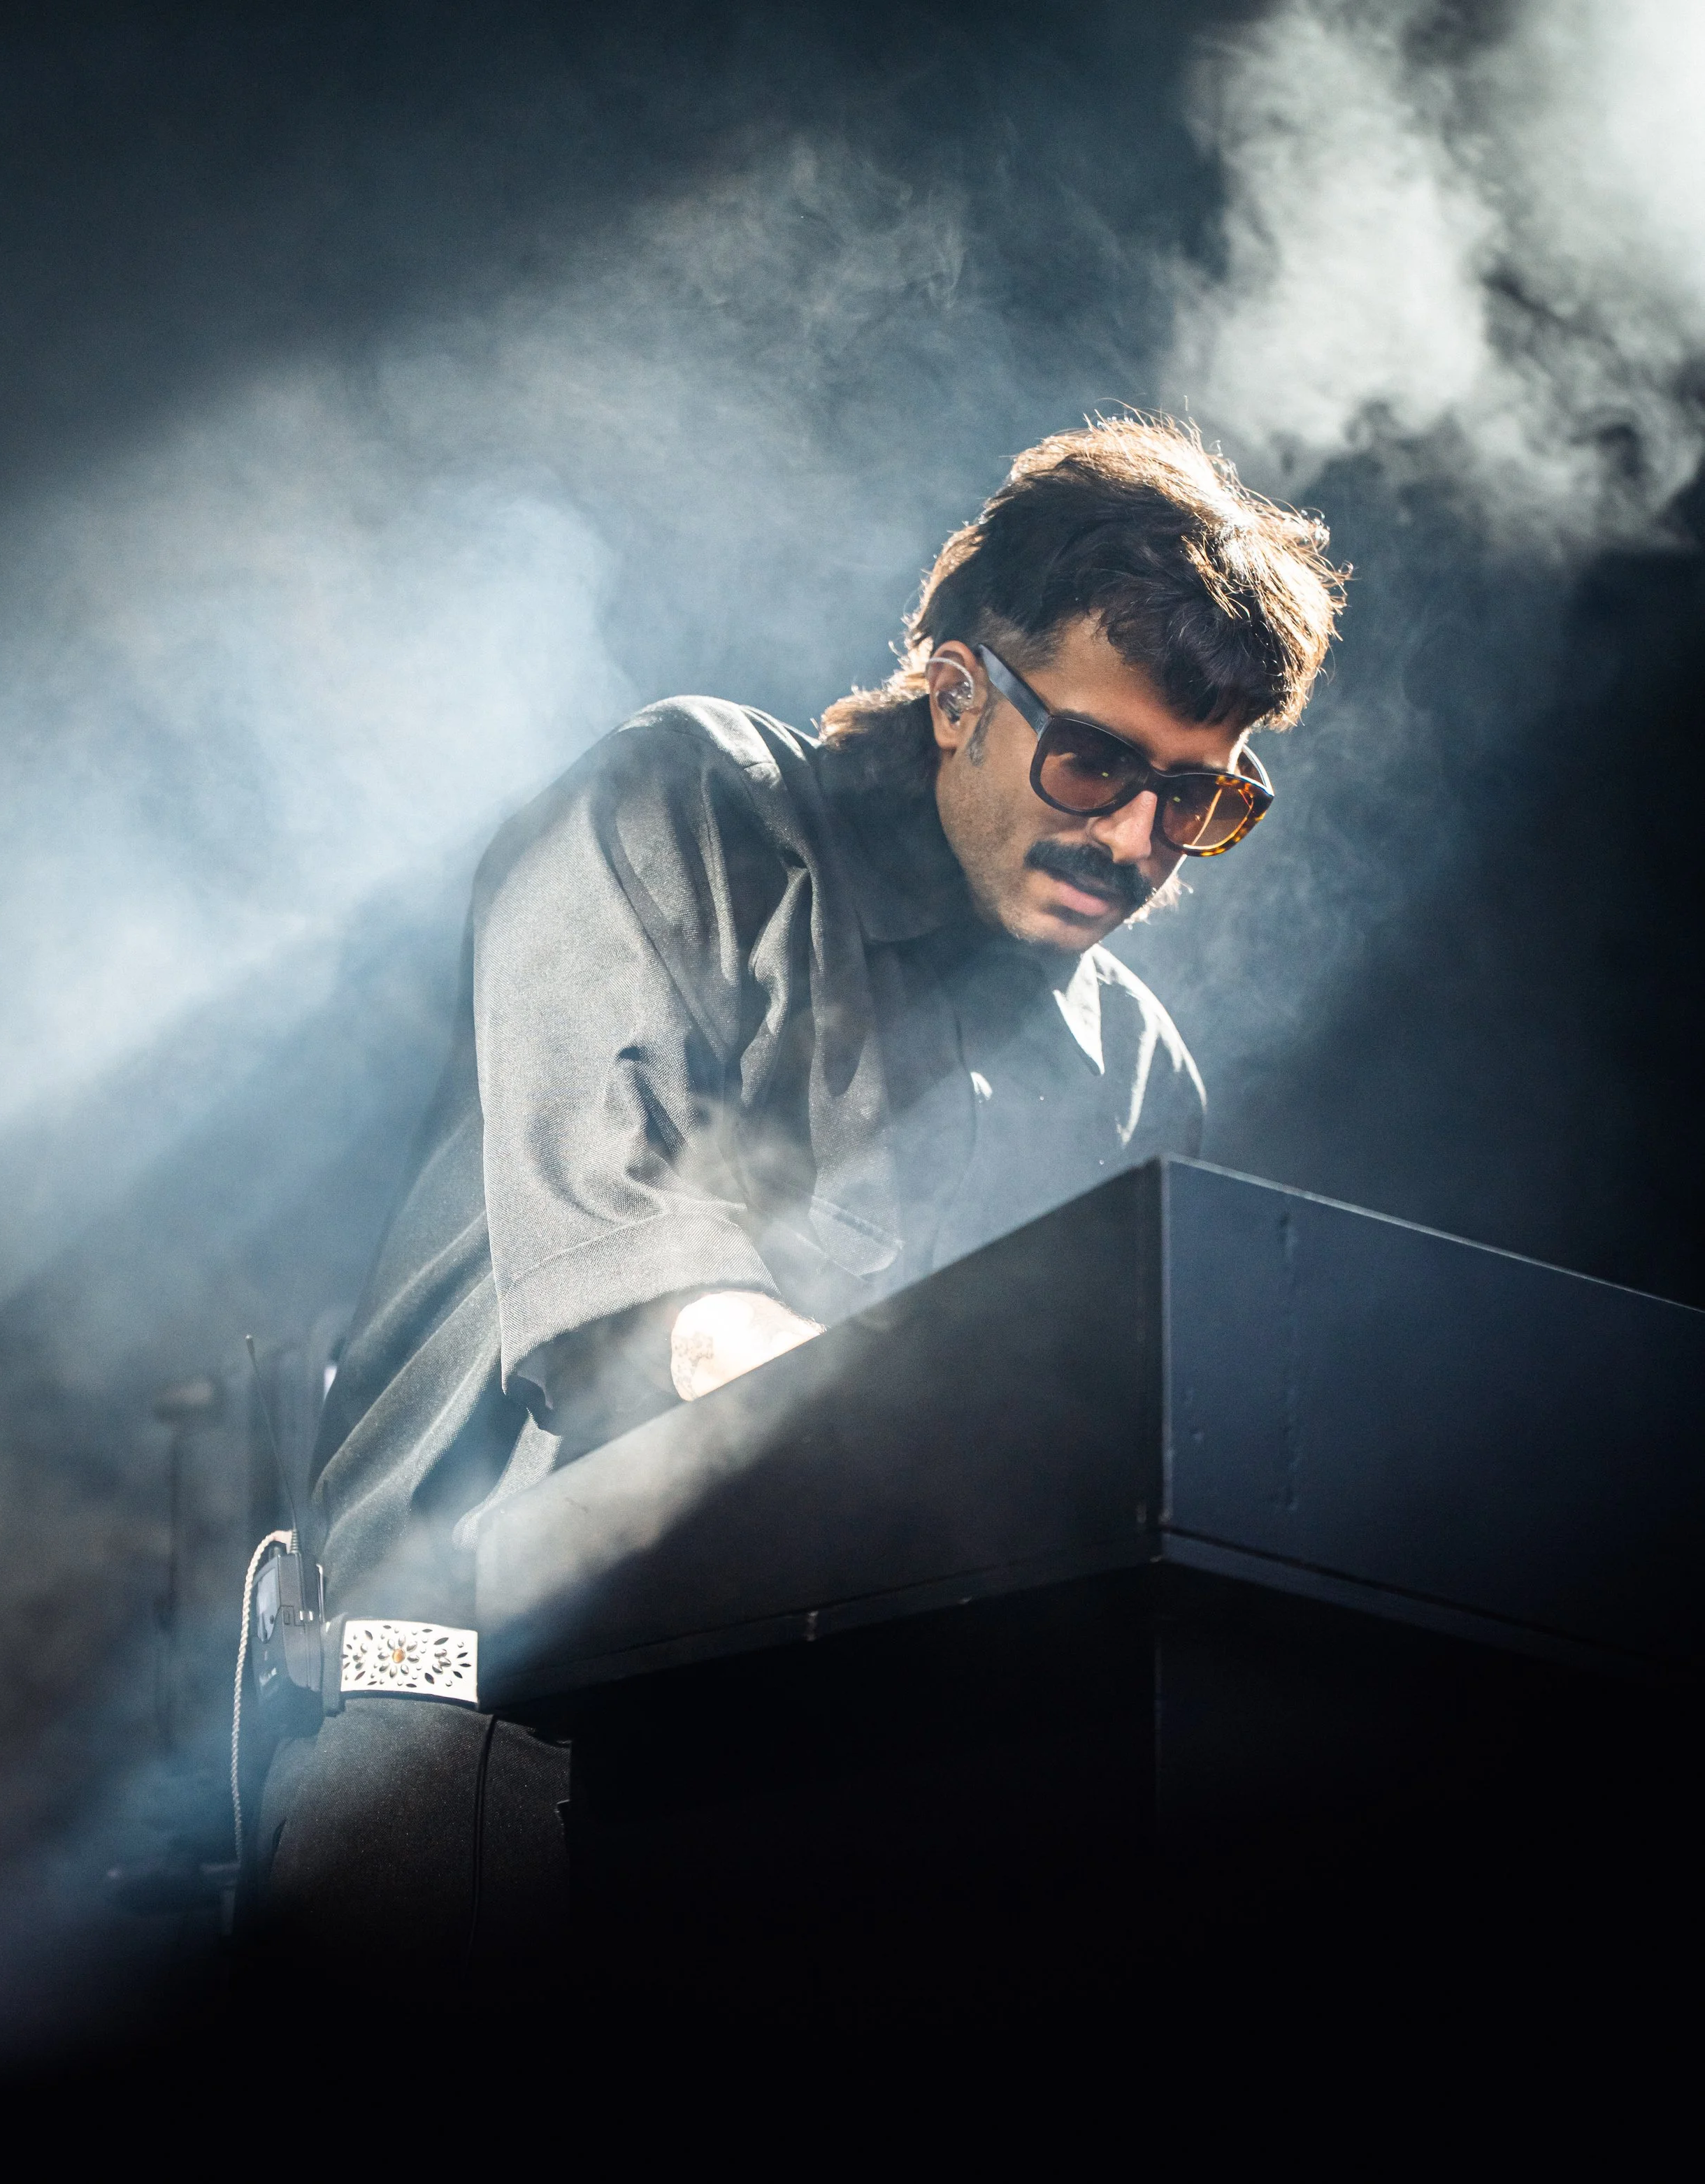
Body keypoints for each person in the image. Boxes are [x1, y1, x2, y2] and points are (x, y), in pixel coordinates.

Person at [254, 414, 1346, 1962]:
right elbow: (673, 1331)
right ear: (959, 689)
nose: (1133, 838)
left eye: (1198, 798)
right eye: (1093, 759)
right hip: (468, 1753)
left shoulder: (1131, 1068)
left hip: (824, 1792)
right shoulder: (689, 805)